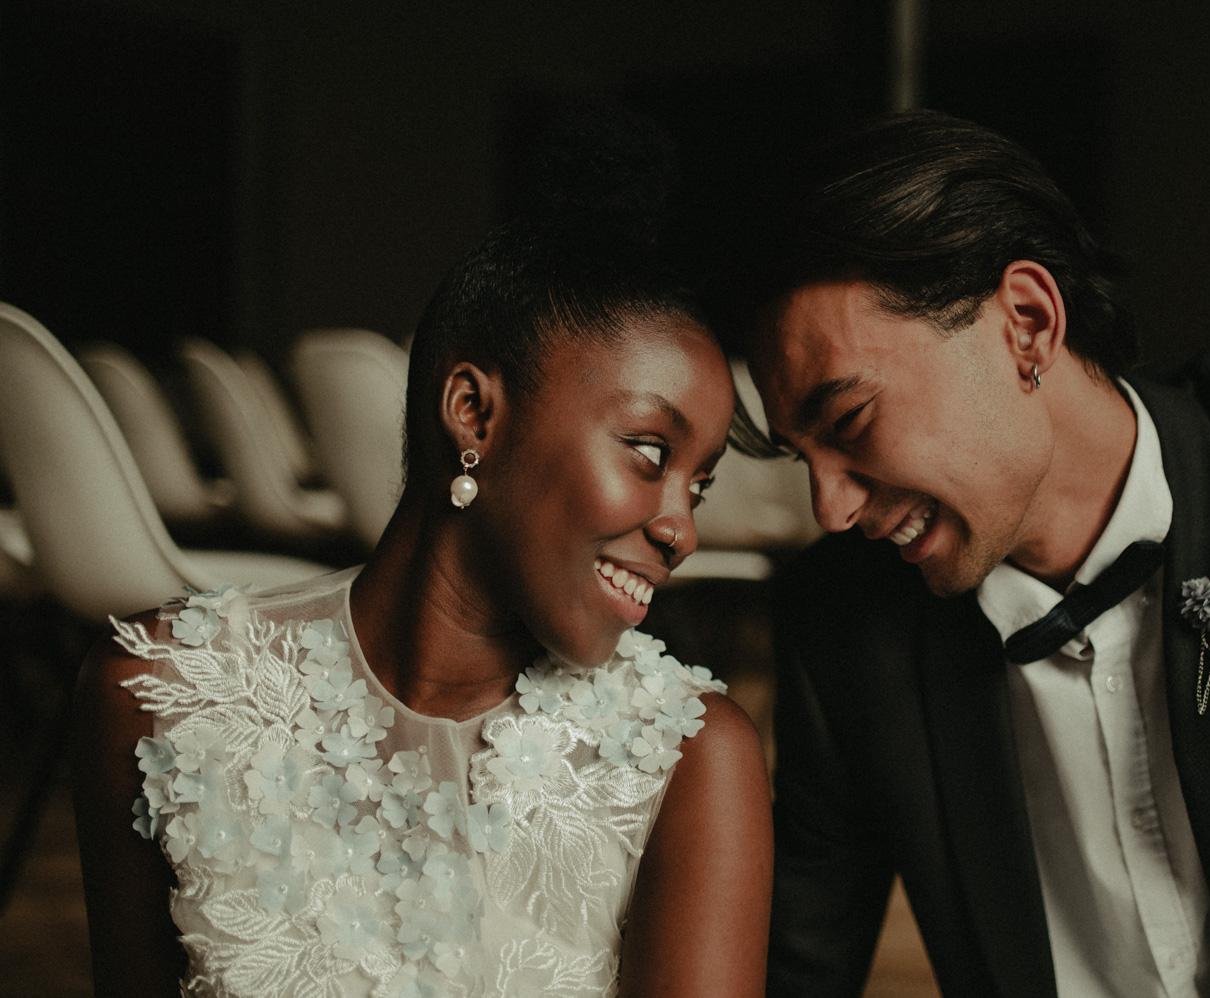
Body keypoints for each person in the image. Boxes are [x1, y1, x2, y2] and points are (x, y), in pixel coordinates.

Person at [714, 110, 1210, 995]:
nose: (830, 507)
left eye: (850, 421)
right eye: (801, 457)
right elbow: (797, 968)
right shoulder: (842, 625)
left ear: (1026, 322)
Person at [70, 113, 772, 997]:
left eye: (698, 485)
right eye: (649, 453)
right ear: (474, 413)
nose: (681, 529)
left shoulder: (692, 759)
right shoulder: (158, 697)